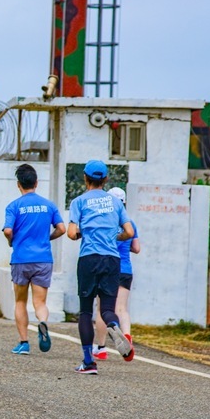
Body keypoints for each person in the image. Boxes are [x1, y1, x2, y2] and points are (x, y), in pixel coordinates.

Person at [67, 160, 135, 374]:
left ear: (85, 179)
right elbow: (129, 233)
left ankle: (88, 362)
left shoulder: (79, 201)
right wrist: (116, 237)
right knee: (107, 309)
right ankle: (114, 326)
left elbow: (70, 233)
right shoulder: (115, 203)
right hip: (112, 260)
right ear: (105, 180)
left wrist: (81, 233)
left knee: (86, 311)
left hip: (89, 258)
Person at [2, 164, 65, 355]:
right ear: (36, 183)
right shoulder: (49, 205)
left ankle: (23, 343)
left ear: (18, 184)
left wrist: (11, 241)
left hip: (21, 259)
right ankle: (43, 322)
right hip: (43, 259)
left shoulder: (14, 206)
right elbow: (61, 229)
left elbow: (7, 230)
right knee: (40, 303)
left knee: (20, 302)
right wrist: (48, 238)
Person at [93, 186, 141, 360]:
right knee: (121, 308)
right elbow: (136, 248)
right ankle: (126, 336)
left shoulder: (105, 222)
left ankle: (101, 348)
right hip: (126, 270)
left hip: (108, 268)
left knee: (102, 309)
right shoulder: (130, 223)